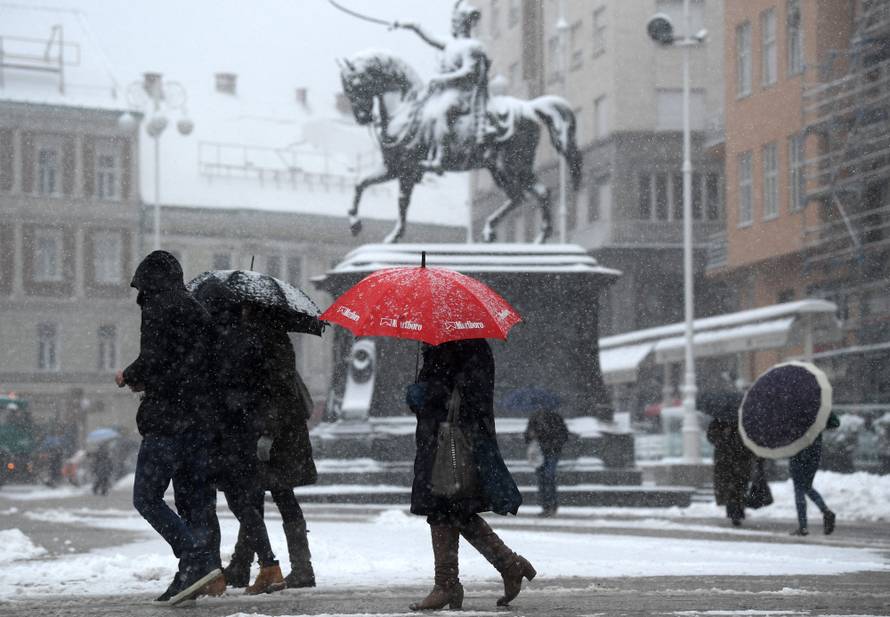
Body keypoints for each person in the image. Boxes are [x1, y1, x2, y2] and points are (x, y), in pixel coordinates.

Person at [116, 250, 223, 606]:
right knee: (192, 500)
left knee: (146, 497)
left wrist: (130, 375)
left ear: (146, 281)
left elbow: (157, 357)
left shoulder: (159, 306)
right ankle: (191, 577)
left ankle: (195, 559)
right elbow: (196, 362)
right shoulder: (196, 309)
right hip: (200, 421)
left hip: (168, 420)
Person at [406, 339, 535, 611]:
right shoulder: (440, 347)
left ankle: (447, 584)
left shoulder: (468, 347)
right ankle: (506, 566)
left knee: (446, 509)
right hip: (440, 441)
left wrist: (428, 393)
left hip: (456, 444)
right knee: (452, 511)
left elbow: (469, 394)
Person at [198, 282, 286, 595]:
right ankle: (268, 566)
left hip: (224, 431)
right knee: (243, 502)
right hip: (246, 430)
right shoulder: (252, 337)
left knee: (224, 501)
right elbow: (264, 383)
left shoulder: (214, 339)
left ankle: (217, 572)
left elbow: (212, 383)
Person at [222, 307, 318, 590]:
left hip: (277, 436)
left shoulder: (269, 342)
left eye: (245, 310)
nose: (241, 312)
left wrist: (268, 433)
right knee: (260, 495)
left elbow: (278, 393)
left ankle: (300, 569)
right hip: (280, 432)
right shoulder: (270, 340)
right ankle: (247, 564)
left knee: (273, 495)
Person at [392, 0, 494, 171]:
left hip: (463, 93)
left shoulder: (472, 47)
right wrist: (408, 25)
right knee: (422, 110)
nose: (456, 26)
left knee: (440, 112)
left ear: (466, 24)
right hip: (446, 91)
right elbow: (429, 37)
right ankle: (422, 149)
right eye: (454, 22)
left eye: (459, 23)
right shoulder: (450, 43)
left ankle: (441, 156)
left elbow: (468, 73)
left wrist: (442, 79)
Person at [789, 412, 839, 536]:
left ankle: (803, 526)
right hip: (814, 451)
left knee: (799, 488)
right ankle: (826, 511)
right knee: (806, 486)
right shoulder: (818, 404)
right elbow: (835, 422)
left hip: (798, 450)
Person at [524, 404, 569, 517]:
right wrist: (531, 435)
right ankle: (547, 506)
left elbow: (563, 435)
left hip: (551, 451)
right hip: (542, 452)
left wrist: (549, 439)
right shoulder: (535, 418)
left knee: (548, 477)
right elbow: (527, 435)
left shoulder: (555, 418)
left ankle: (550, 505)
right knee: (543, 478)